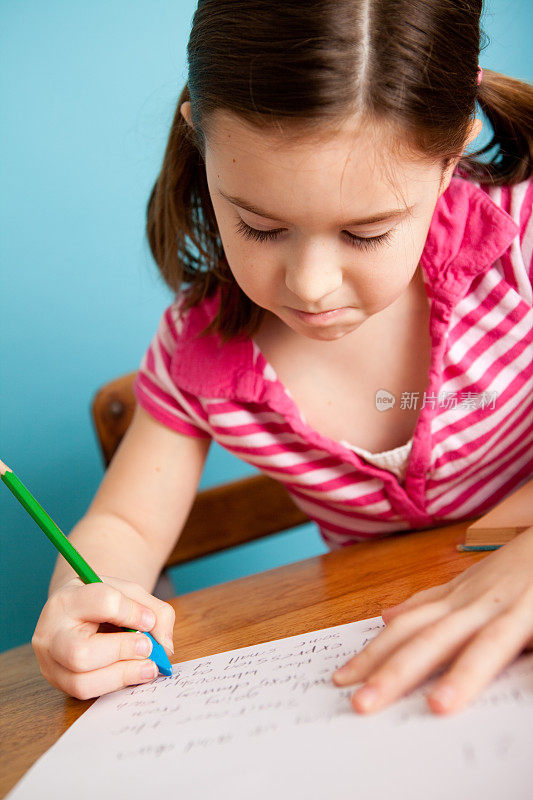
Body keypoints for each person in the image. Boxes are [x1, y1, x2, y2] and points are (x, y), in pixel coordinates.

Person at [32, 0, 533, 716]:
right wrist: (83, 606)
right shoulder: (197, 357)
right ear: (201, 144)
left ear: (452, 150)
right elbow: (128, 528)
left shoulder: (521, 241)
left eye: (365, 234)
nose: (309, 285)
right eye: (260, 226)